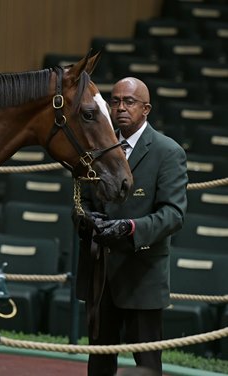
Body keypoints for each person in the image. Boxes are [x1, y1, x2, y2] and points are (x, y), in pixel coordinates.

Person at [73, 77, 188, 376]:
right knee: (99, 364)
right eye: (116, 101)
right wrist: (86, 219)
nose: (121, 107)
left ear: (146, 109)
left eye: (129, 102)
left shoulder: (168, 151)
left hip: (142, 276)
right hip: (100, 274)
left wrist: (131, 228)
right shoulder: (97, 146)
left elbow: (174, 214)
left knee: (147, 367)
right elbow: (80, 203)